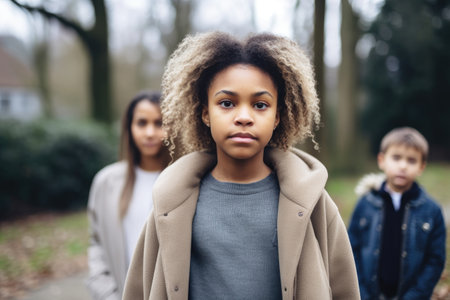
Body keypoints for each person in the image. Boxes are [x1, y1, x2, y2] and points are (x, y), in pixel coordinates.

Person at [123, 31, 360, 300]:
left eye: (260, 105)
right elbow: (138, 290)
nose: (244, 117)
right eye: (227, 103)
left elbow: (344, 289)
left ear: (277, 117)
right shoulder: (171, 201)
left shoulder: (312, 202)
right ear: (205, 113)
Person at [86, 91, 170, 300]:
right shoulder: (106, 182)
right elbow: (96, 244)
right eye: (142, 123)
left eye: (159, 123)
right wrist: (107, 294)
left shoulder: (185, 181)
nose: (150, 132)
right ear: (129, 127)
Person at [348, 127, 446, 300]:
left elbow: (435, 260)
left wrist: (415, 296)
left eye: (411, 160)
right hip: (369, 295)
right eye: (396, 158)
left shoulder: (432, 211)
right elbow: (350, 251)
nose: (403, 165)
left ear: (421, 167)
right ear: (381, 160)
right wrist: (361, 293)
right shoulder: (365, 204)